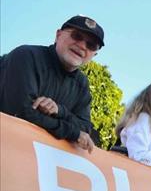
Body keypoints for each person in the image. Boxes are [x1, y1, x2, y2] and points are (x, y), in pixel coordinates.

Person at [0, 15, 103, 154]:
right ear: (58, 35)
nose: (82, 46)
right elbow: (21, 112)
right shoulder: (26, 56)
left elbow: (85, 128)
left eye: (91, 45)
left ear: (94, 55)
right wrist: (73, 133)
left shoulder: (82, 85)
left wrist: (59, 111)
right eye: (76, 36)